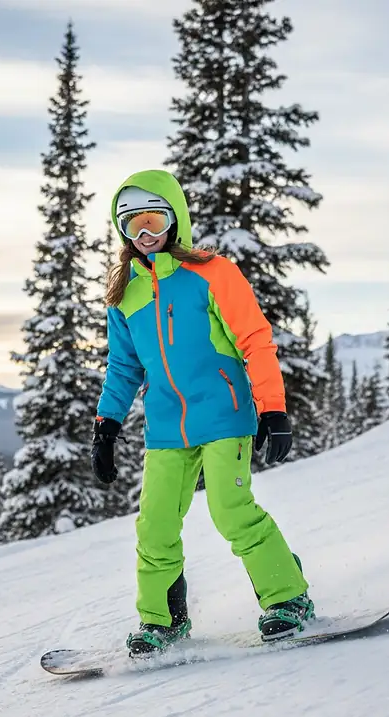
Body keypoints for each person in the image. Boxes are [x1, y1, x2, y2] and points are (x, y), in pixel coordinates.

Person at [90, 168, 314, 658]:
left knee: (230, 511)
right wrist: (106, 425)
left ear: (176, 219)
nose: (145, 235)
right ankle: (163, 620)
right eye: (133, 226)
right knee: (155, 524)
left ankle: (288, 598)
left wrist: (273, 409)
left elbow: (255, 341)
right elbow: (124, 366)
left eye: (153, 220)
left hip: (225, 413)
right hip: (166, 425)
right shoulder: (125, 292)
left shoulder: (213, 273)